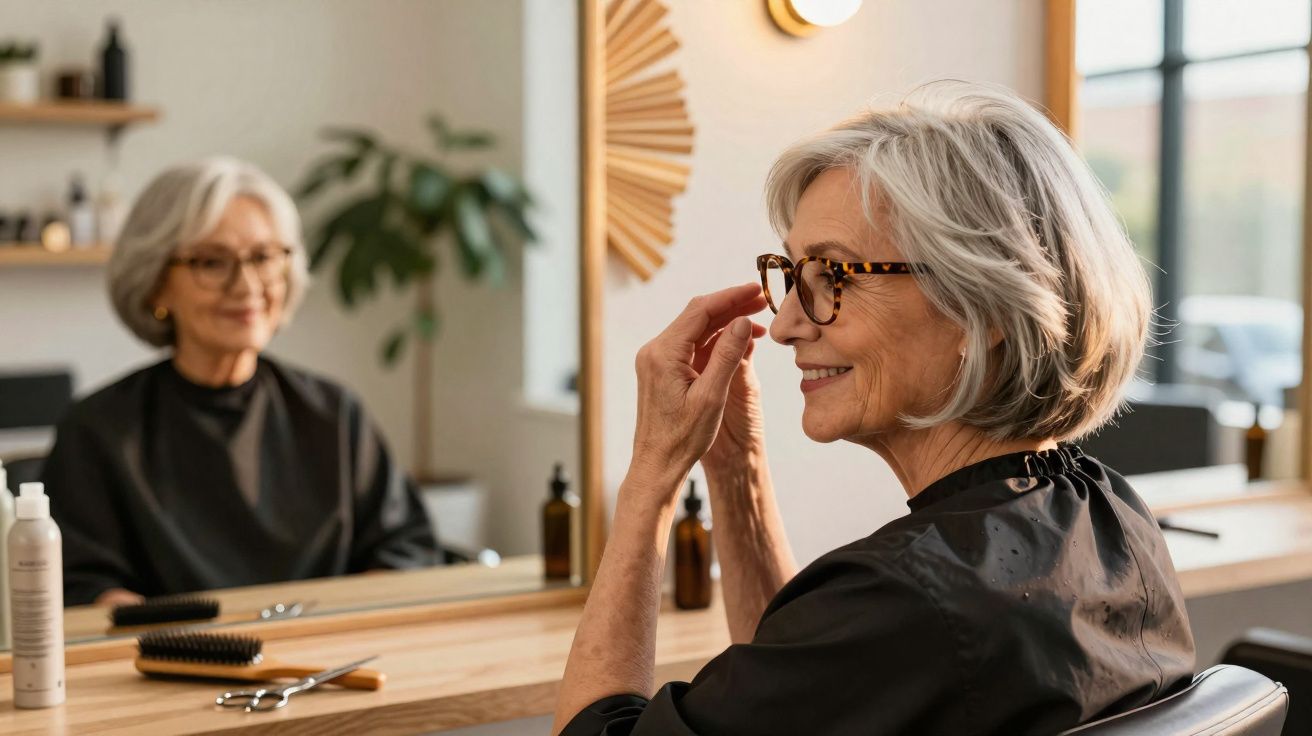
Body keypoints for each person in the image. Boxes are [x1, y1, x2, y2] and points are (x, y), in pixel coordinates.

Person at [554, 82, 1195, 735]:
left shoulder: (903, 604)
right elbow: (805, 697)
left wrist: (652, 475)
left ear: (987, 307)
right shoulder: (1113, 515)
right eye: (792, 275)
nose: (785, 324)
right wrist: (735, 463)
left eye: (834, 276)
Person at [42, 157, 439, 608]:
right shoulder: (98, 430)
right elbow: (81, 585)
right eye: (212, 262)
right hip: (169, 667)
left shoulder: (334, 414)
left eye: (264, 257)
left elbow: (406, 549)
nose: (247, 285)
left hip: (330, 663)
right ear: (155, 285)